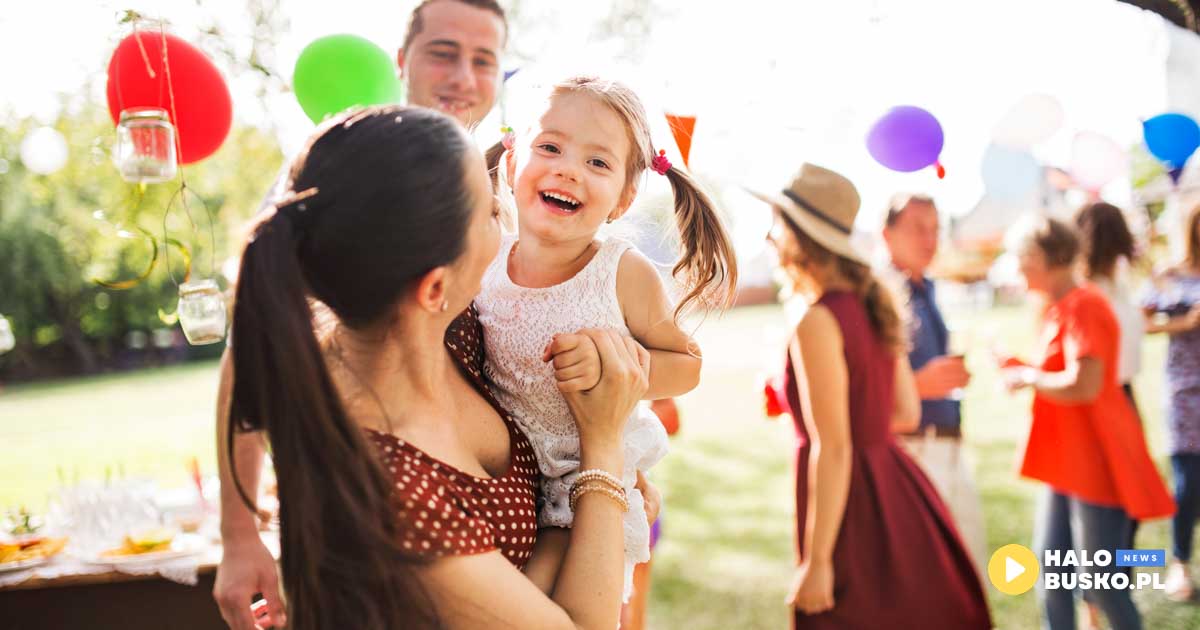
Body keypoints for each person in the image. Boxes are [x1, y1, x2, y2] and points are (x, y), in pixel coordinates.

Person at [227, 105, 650, 629]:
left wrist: (597, 511)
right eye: (493, 215)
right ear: (433, 287)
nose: (507, 224)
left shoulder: (460, 334)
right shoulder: (391, 487)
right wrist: (603, 454)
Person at [213, 2, 509, 627]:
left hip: (483, 497)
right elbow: (253, 348)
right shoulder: (342, 172)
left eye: (484, 60)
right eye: (443, 52)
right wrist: (240, 534)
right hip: (375, 504)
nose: (463, 76)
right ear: (401, 61)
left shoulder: (508, 175)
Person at [480, 75, 737, 600]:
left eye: (597, 162)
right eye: (549, 147)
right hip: (506, 478)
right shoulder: (484, 259)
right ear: (510, 165)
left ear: (623, 199)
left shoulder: (620, 271)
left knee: (534, 605)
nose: (568, 169)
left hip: (585, 483)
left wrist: (618, 365)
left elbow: (687, 363)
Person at [755, 164, 991, 629]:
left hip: (850, 506)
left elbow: (834, 446)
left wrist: (818, 559)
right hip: (896, 485)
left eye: (778, 224)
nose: (769, 237)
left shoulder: (817, 319)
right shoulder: (875, 301)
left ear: (801, 236)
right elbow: (903, 412)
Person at [1000, 216, 1174, 630]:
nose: (1017, 267)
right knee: (1053, 570)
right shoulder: (1059, 307)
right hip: (1067, 462)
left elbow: (1085, 384)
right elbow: (1061, 374)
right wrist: (1022, 369)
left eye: (1023, 257)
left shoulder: (1084, 303)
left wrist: (1029, 378)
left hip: (1096, 461)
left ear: (1048, 257)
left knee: (1102, 582)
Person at [880, 193, 987, 574]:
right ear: (887, 235)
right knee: (930, 574)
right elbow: (863, 383)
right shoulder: (878, 296)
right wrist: (918, 385)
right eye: (918, 229)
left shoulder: (928, 287)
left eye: (935, 229)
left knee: (968, 567)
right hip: (913, 449)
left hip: (949, 444)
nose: (930, 240)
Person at [1142, 203, 1200, 601]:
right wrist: (1185, 323)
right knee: (1187, 482)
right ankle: (1180, 563)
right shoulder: (1170, 276)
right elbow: (1142, 322)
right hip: (1185, 391)